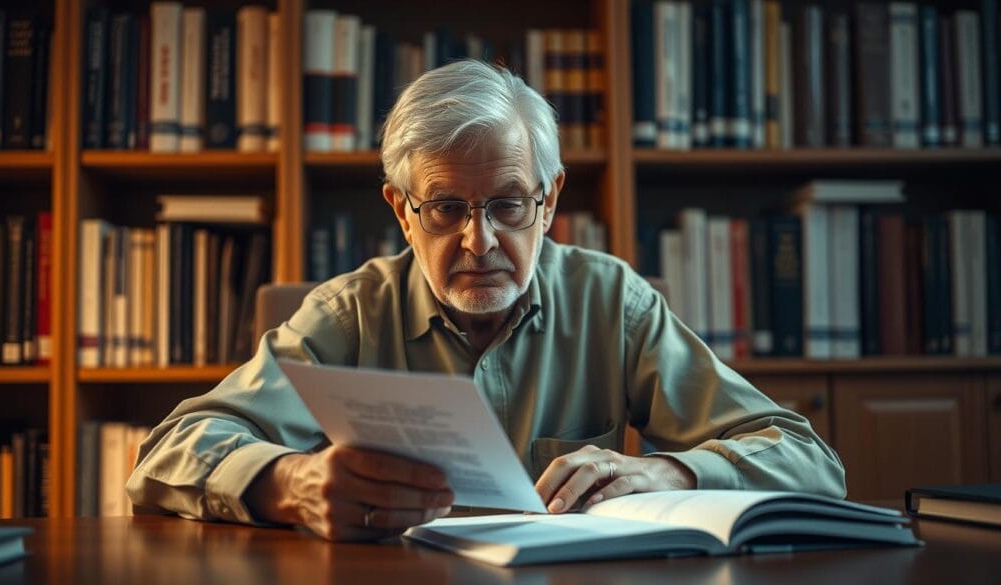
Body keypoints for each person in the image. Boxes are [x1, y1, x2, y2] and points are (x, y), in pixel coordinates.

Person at [128, 60, 846, 541]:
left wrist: (669, 468)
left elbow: (809, 459)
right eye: (445, 208)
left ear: (549, 199)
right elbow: (165, 452)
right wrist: (289, 483)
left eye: (507, 203)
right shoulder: (348, 315)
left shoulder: (611, 302)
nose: (480, 241)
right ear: (401, 212)